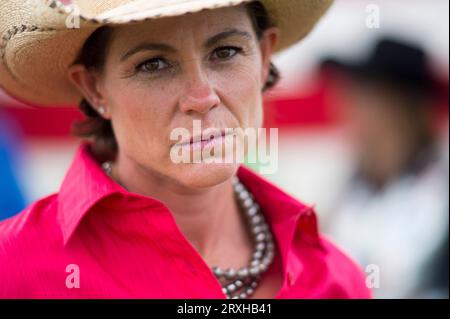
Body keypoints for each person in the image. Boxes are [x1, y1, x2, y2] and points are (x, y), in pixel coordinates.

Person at [0, 0, 370, 299]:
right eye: (153, 64)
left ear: (263, 56)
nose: (202, 97)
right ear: (95, 89)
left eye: (225, 51)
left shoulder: (335, 279)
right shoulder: (14, 268)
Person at [321, 38, 449, 298]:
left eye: (362, 94)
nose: (345, 107)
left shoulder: (439, 192)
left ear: (399, 107)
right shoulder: (349, 189)